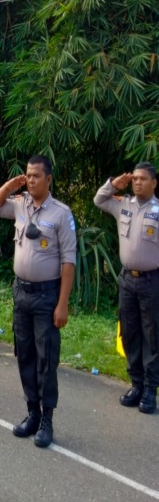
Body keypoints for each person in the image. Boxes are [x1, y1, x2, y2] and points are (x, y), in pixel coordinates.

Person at [0, 155, 77, 448]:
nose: (30, 180)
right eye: (27, 175)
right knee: (25, 355)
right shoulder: (20, 204)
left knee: (46, 359)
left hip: (46, 296)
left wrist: (62, 304)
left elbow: (68, 261)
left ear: (49, 179)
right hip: (21, 293)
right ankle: (32, 413)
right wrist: (11, 184)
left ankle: (47, 420)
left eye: (36, 176)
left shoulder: (61, 214)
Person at [94, 163, 159, 414]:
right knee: (130, 333)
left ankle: (151, 390)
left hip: (151, 281)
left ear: (154, 183)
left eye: (143, 179)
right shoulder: (124, 204)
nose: (138, 183)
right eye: (135, 179)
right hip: (127, 280)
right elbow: (99, 200)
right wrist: (114, 183)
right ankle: (136, 385)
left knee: (151, 335)